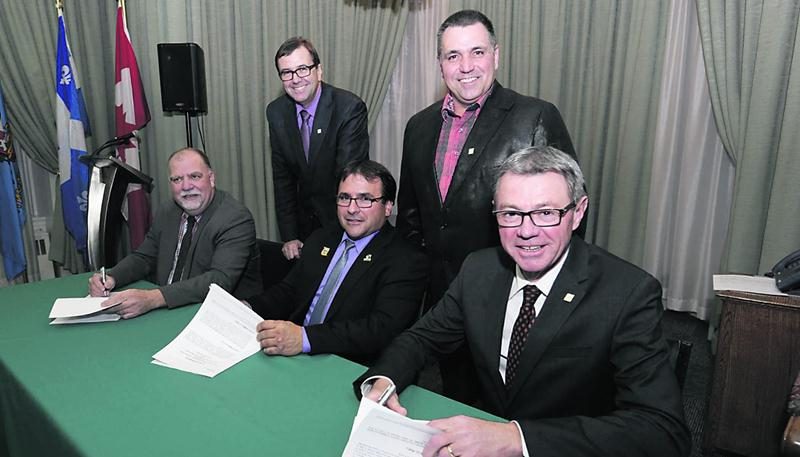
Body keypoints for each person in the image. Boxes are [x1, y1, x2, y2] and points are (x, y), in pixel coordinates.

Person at [356, 147, 690, 457]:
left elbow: (663, 430)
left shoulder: (627, 292)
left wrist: (516, 438)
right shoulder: (479, 270)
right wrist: (384, 380)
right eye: (511, 214)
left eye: (546, 213)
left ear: (578, 213)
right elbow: (422, 338)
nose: (526, 231)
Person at [396, 9, 576, 402]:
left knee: (514, 404)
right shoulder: (418, 126)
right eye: (453, 56)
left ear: (496, 55)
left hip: (513, 294)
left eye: (476, 52)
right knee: (454, 397)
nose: (466, 67)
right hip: (444, 299)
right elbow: (411, 218)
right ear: (440, 64)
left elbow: (568, 215)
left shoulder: (535, 117)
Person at [247, 160, 427, 365]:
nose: (352, 209)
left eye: (365, 199)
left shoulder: (406, 259)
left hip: (348, 365)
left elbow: (380, 329)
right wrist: (248, 306)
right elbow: (289, 291)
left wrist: (305, 339)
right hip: (291, 353)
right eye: (345, 198)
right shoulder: (322, 238)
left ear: (387, 207)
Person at [88, 147, 261, 319]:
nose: (186, 186)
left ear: (212, 178)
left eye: (195, 176)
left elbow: (219, 281)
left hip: (217, 315)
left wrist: (153, 298)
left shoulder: (235, 218)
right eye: (177, 179)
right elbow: (145, 257)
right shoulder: (168, 210)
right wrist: (112, 276)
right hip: (169, 309)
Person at [267, 36, 369, 261]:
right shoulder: (276, 113)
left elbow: (348, 179)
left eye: (302, 69)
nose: (295, 79)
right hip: (303, 233)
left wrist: (335, 238)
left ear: (318, 71)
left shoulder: (349, 108)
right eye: (287, 73)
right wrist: (290, 235)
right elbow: (282, 179)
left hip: (344, 224)